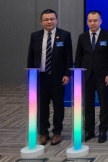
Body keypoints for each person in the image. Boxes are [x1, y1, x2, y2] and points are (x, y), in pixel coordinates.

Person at [27, 9, 73, 146]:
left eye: (52, 19)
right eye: (46, 19)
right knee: (42, 106)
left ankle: (57, 132)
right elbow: (31, 57)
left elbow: (68, 57)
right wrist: (31, 75)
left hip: (58, 78)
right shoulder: (35, 36)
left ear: (56, 20)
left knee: (58, 105)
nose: (49, 21)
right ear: (41, 22)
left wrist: (67, 74)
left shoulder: (64, 35)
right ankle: (44, 132)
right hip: (40, 77)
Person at [75, 10, 108, 143]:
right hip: (86, 76)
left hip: (103, 76)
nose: (92, 23)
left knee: (104, 104)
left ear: (100, 21)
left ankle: (103, 130)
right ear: (87, 22)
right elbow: (78, 57)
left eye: (95, 21)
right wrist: (78, 74)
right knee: (88, 104)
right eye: (90, 21)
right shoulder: (82, 37)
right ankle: (89, 130)